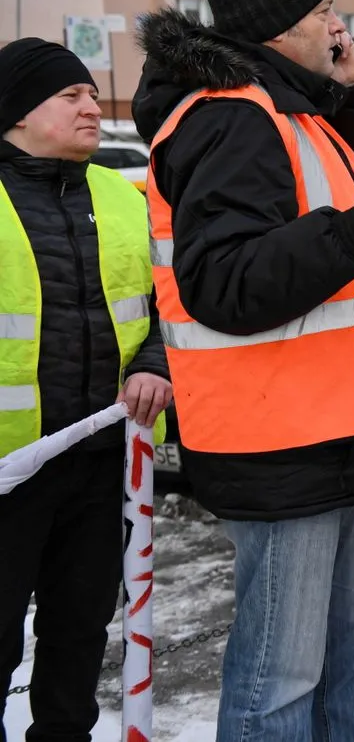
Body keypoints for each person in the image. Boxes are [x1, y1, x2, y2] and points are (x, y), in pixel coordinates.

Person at [130, 0, 354, 740]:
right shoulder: (230, 119)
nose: (338, 25)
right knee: (282, 677)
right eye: (323, 12)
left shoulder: (297, 110)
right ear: (278, 30)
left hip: (348, 434)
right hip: (286, 449)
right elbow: (225, 283)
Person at [0, 39, 172, 742]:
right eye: (69, 96)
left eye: (89, 93)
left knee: (78, 642)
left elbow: (170, 300)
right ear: (15, 113)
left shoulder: (122, 194)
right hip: (8, 476)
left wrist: (157, 361)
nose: (90, 105)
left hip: (104, 466)